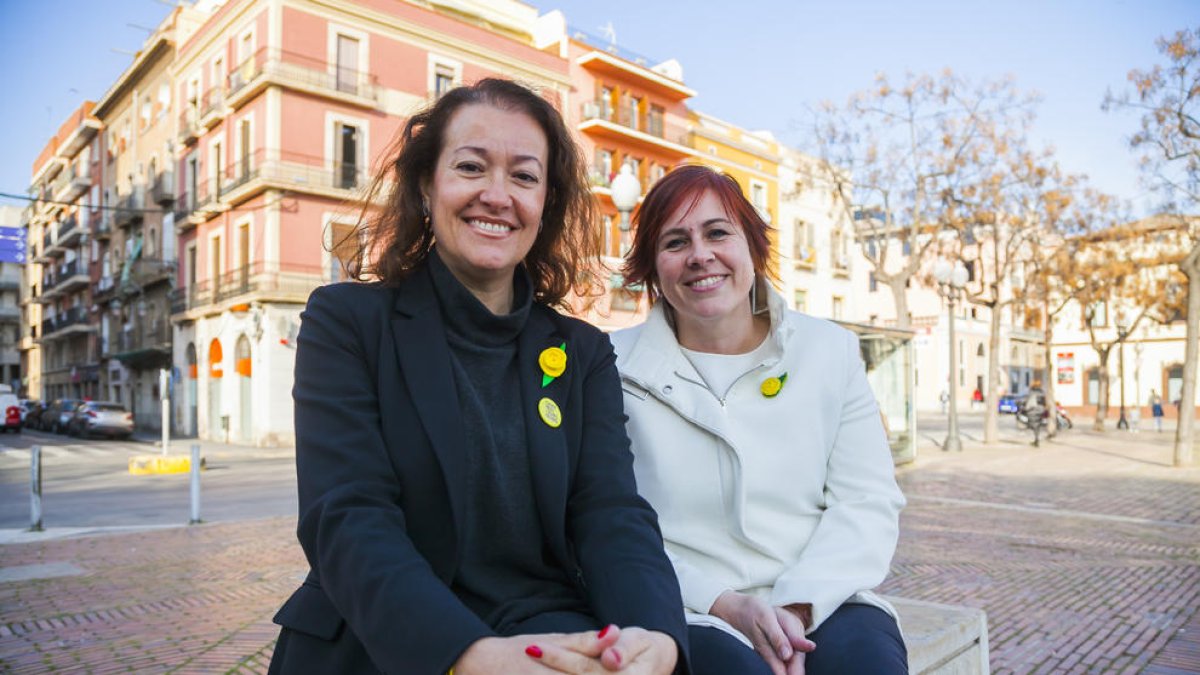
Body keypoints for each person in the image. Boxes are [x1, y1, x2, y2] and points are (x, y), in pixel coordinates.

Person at [269, 79, 687, 675]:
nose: (497, 195)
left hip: (546, 631)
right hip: (388, 643)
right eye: (471, 167)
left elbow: (611, 511)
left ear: (545, 205)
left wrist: (656, 636)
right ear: (425, 186)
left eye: (523, 176)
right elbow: (347, 515)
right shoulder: (347, 321)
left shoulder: (584, 351)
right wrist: (466, 656)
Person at [612, 165, 908, 675]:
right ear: (652, 267)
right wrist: (723, 602)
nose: (700, 255)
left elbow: (866, 501)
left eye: (718, 232)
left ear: (753, 247)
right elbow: (612, 522)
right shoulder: (611, 365)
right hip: (688, 604)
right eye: (675, 241)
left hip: (823, 595)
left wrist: (797, 606)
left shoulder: (829, 351)